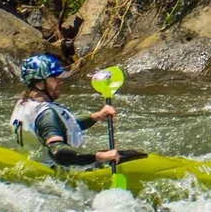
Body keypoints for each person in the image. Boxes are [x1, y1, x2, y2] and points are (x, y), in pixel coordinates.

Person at [9, 56, 137, 170]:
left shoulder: (24, 104)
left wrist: (95, 117)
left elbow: (60, 125)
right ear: (39, 83)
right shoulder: (46, 114)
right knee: (133, 157)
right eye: (54, 78)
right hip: (60, 171)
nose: (60, 81)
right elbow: (58, 153)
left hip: (36, 165)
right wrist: (100, 156)